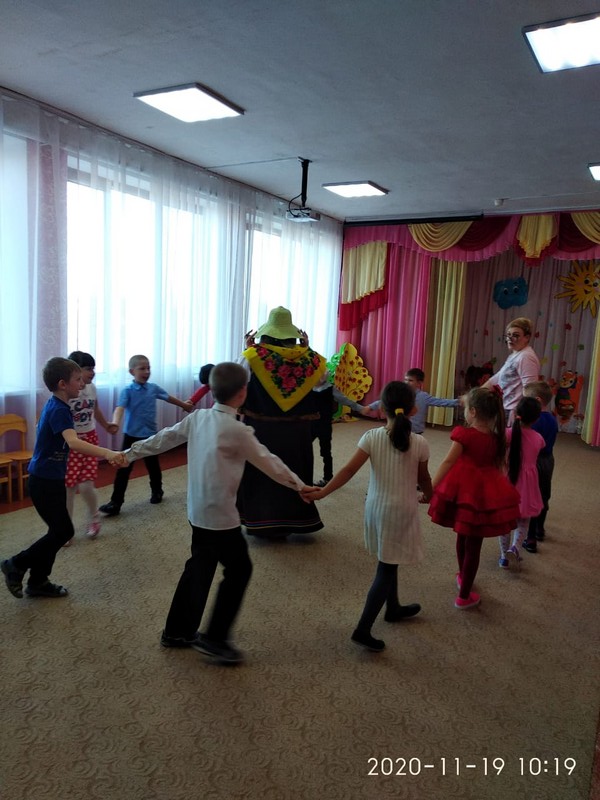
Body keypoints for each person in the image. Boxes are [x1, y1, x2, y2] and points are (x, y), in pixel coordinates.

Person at [120, 362, 308, 664]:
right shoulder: (238, 430)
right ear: (243, 392)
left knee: (200, 566)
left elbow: (164, 438)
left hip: (198, 511)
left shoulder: (198, 418)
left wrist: (128, 454)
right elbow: (270, 462)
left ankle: (177, 631)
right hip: (220, 518)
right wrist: (300, 486)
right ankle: (215, 638)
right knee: (239, 570)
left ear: (212, 390)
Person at [304, 381, 432, 653]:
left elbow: (348, 471)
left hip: (375, 509)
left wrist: (324, 492)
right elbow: (424, 479)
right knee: (387, 567)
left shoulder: (371, 437)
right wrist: (430, 495)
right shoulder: (420, 442)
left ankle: (393, 607)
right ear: (413, 409)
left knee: (389, 558)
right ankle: (363, 629)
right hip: (400, 512)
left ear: (382, 408)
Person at [1, 358, 124, 600]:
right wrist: (108, 453)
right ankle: (15, 563)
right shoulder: (59, 410)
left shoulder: (59, 405)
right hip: (43, 481)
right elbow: (74, 442)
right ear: (62, 384)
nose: (82, 384)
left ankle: (38, 581)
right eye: (77, 380)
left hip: (52, 478)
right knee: (63, 530)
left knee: (57, 531)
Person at [428, 386, 521, 608]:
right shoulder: (498, 439)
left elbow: (448, 461)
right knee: (472, 544)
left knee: (463, 537)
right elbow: (500, 467)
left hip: (464, 491)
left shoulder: (465, 435)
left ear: (473, 412)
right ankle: (464, 581)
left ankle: (464, 594)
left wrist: (431, 487)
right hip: (485, 491)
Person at [237, 307, 326, 537]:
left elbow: (238, 379)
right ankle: (296, 519)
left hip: (262, 428)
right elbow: (321, 383)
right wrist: (307, 349)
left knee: (262, 469)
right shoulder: (310, 359)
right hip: (297, 430)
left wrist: (248, 350)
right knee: (296, 468)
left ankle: (262, 519)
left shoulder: (252, 356)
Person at [99, 354, 193, 516]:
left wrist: (184, 405)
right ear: (132, 371)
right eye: (142, 368)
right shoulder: (127, 391)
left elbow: (168, 398)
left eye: (148, 368)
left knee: (153, 466)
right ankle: (115, 503)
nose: (147, 371)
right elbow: (120, 408)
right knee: (123, 469)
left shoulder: (153, 388)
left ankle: (157, 491)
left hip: (149, 435)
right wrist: (115, 422)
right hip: (131, 435)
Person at [63, 350, 119, 545]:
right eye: (88, 369)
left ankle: (94, 517)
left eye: (93, 368)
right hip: (70, 442)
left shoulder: (92, 388)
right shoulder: (66, 392)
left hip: (89, 440)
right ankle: (66, 529)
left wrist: (106, 425)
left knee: (86, 485)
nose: (92, 373)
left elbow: (95, 410)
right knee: (69, 488)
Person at [499, 396, 544, 569]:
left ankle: (504, 557)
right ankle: (516, 547)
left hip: (508, 479)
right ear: (536, 418)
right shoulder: (538, 438)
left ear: (516, 413)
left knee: (505, 520)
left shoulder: (508, 433)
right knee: (524, 519)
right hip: (528, 484)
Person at [522, 381, 559, 551]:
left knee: (531, 497)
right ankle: (539, 529)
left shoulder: (532, 421)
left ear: (537, 400)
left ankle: (530, 538)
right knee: (543, 495)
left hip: (533, 461)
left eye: (525, 399)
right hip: (548, 460)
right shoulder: (552, 419)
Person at [482, 317, 540, 424]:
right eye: (508, 335)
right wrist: (475, 395)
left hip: (514, 413)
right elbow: (496, 379)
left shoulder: (526, 357)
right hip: (505, 409)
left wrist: (521, 416)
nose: (510, 338)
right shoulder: (515, 355)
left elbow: (530, 390)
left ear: (527, 337)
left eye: (515, 335)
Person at [368, 368, 459, 434]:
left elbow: (441, 402)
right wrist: (370, 407)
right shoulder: (401, 393)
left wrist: (458, 402)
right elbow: (386, 400)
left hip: (416, 431)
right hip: (400, 428)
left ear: (419, 383)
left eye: (410, 380)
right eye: (405, 380)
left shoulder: (424, 396)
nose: (406, 382)